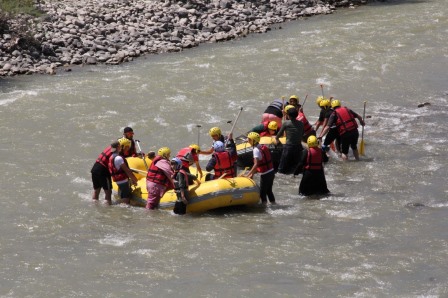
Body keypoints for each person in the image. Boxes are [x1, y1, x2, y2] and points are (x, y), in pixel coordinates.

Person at [243, 132, 276, 205]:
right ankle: (274, 204)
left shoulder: (255, 150)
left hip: (265, 174)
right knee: (269, 191)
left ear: (253, 141)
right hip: (271, 172)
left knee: (262, 193)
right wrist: (252, 174)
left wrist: (248, 174)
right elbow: (259, 165)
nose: (248, 141)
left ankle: (264, 208)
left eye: (249, 140)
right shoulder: (262, 146)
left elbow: (256, 164)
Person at [108, 138, 139, 204]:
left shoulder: (112, 156)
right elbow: (127, 171)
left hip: (118, 180)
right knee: (126, 197)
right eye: (127, 147)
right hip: (123, 181)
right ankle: (125, 209)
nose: (128, 149)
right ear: (120, 147)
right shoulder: (119, 158)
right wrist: (134, 180)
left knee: (123, 194)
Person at [274, 107, 304, 174]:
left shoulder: (286, 123)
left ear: (288, 116)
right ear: (297, 115)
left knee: (282, 164)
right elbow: (302, 134)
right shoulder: (301, 124)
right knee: (297, 163)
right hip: (299, 146)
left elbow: (279, 133)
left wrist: (277, 139)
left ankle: (280, 172)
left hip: (289, 146)